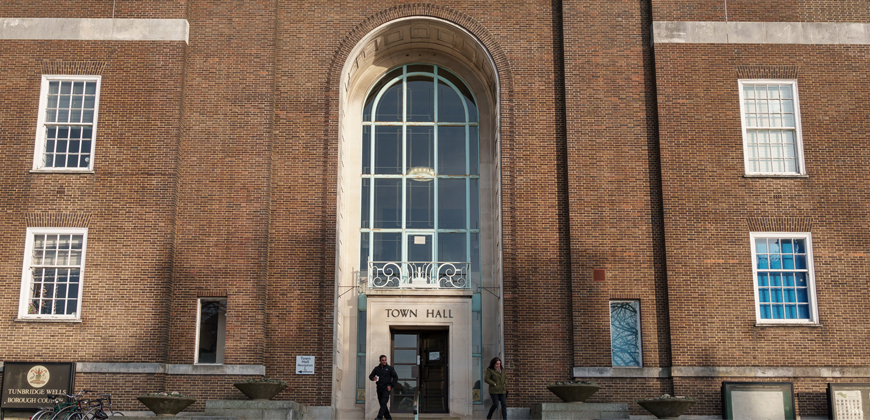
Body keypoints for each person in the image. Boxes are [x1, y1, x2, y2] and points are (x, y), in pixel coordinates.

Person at [369, 354, 398, 420]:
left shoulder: (390, 368)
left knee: (383, 403)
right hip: (379, 388)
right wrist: (373, 378)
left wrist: (391, 386)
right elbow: (370, 376)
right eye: (383, 360)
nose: (384, 361)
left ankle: (379, 417)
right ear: (380, 361)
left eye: (385, 360)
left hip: (386, 388)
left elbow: (395, 378)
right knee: (383, 405)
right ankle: (388, 418)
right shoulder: (376, 369)